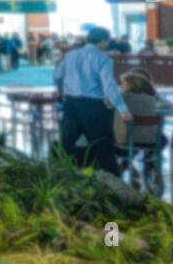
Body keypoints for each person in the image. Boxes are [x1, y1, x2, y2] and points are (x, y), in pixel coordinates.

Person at [54, 26, 130, 176]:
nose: (108, 44)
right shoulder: (103, 59)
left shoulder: (70, 55)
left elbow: (57, 75)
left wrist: (63, 91)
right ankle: (114, 185)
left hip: (71, 104)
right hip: (94, 107)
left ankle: (59, 177)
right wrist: (123, 109)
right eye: (107, 41)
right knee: (104, 147)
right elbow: (109, 87)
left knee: (66, 144)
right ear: (102, 41)